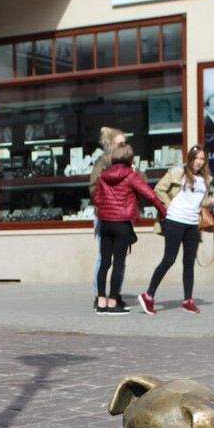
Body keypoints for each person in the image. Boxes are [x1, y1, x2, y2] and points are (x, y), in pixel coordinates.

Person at [139, 145, 214, 315]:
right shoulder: (177, 173)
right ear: (190, 159)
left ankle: (188, 300)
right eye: (196, 158)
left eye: (202, 159)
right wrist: (169, 208)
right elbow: (159, 189)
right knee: (169, 259)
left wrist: (210, 202)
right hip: (175, 220)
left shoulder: (205, 179)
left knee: (189, 263)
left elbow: (198, 202)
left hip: (192, 224)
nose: (198, 162)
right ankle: (148, 295)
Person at [92, 141, 166, 314]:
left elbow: (96, 199)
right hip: (122, 224)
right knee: (118, 263)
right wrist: (163, 211)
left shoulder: (103, 175)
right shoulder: (131, 176)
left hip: (105, 223)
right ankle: (113, 303)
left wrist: (107, 205)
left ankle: (101, 302)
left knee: (104, 262)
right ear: (129, 157)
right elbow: (150, 194)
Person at [88, 127, 128, 310]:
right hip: (105, 216)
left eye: (125, 143)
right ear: (111, 144)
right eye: (121, 143)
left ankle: (115, 294)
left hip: (123, 216)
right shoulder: (103, 162)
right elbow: (93, 188)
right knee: (104, 259)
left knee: (121, 259)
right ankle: (100, 295)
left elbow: (139, 181)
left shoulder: (127, 162)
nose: (124, 146)